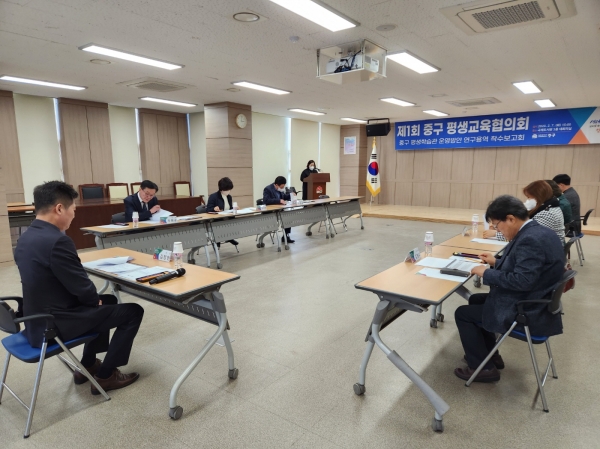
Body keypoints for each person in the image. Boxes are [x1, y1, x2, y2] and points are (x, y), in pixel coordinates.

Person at [14, 181, 144, 394]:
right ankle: (106, 376)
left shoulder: (26, 237)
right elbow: (81, 287)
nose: (73, 216)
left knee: (109, 300)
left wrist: (94, 300)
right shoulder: (57, 241)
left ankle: (88, 364)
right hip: (55, 324)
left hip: (36, 319)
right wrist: (93, 300)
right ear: (59, 208)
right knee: (133, 312)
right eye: (73, 210)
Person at [454, 195, 564, 382]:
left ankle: (483, 369)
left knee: (462, 314)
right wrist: (496, 262)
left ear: (511, 219)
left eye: (497, 225)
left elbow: (523, 280)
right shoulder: (539, 232)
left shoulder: (530, 239)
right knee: (475, 299)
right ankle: (490, 355)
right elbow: (528, 269)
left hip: (529, 310)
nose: (498, 230)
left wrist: (486, 273)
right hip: (538, 299)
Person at [483, 180, 565, 244]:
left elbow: (526, 234)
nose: (528, 200)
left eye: (529, 197)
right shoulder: (548, 207)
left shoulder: (547, 213)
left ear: (539, 197)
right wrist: (499, 226)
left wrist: (496, 234)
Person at [206, 177, 239, 248]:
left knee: (234, 223)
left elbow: (229, 208)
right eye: (227, 190)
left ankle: (229, 237)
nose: (229, 191)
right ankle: (218, 240)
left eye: (229, 189)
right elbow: (208, 209)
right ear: (221, 189)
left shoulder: (229, 197)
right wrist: (214, 209)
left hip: (228, 219)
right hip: (217, 220)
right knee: (221, 225)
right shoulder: (213, 197)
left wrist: (234, 208)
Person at [263, 176, 295, 243]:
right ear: (276, 185)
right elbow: (266, 200)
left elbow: (284, 197)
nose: (282, 188)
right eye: (281, 187)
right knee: (285, 218)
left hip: (279, 210)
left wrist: (290, 195)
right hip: (271, 212)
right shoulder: (268, 189)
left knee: (288, 218)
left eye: (283, 186)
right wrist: (279, 200)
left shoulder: (280, 190)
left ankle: (286, 236)